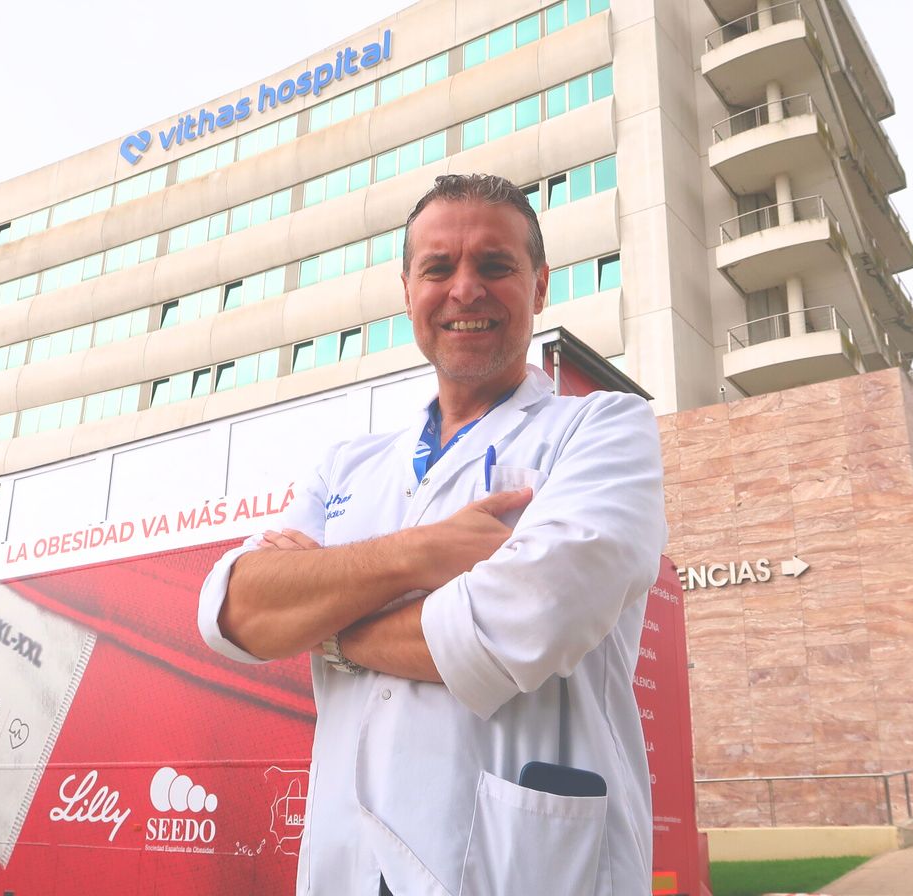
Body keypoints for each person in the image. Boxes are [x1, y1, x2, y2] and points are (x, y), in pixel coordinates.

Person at [198, 174, 665, 895]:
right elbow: (235, 610)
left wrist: (323, 626)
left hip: (513, 866)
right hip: (351, 864)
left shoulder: (602, 430)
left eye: (495, 266)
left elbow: (515, 626)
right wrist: (421, 555)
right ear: (408, 291)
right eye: (438, 268)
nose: (465, 289)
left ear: (540, 286)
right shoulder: (348, 464)